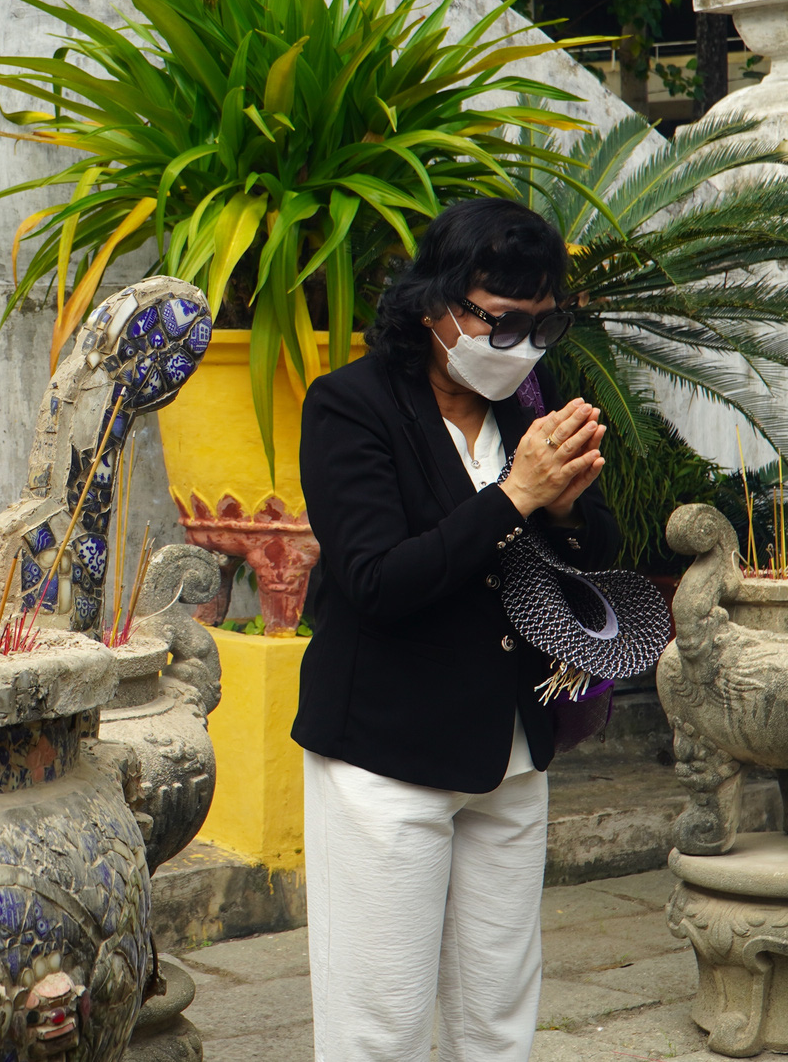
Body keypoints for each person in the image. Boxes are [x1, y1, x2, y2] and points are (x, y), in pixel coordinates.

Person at [294, 197, 616, 1062]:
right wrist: (515, 495)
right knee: (381, 1025)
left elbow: (590, 560)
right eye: (500, 324)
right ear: (436, 303)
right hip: (386, 754)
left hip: (508, 750)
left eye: (543, 327)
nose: (519, 350)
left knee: (499, 1017)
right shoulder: (350, 407)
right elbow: (376, 578)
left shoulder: (523, 411)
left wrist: (573, 508)